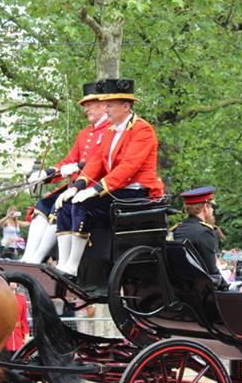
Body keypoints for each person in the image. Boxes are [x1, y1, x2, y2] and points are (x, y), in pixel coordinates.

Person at [54, 78, 164, 277]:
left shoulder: (143, 130)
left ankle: (73, 265)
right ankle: (63, 262)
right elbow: (96, 161)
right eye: (105, 105)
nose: (106, 110)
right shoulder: (112, 130)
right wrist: (77, 186)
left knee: (82, 206)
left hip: (135, 193)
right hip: (116, 190)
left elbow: (128, 167)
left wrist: (95, 190)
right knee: (65, 205)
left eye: (110, 106)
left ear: (125, 106)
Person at [21, 83, 111, 264]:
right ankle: (28, 257)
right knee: (42, 205)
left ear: (103, 105)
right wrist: (46, 173)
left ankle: (37, 259)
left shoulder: (110, 130)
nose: (86, 109)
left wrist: (77, 167)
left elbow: (100, 162)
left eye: (90, 104)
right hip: (73, 186)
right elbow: (68, 161)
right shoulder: (84, 134)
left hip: (93, 187)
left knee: (58, 207)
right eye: (85, 105)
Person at [171, 186, 222, 277]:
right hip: (202, 289)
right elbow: (212, 272)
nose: (212, 210)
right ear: (205, 207)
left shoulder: (177, 230)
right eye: (211, 207)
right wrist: (227, 286)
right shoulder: (204, 232)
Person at [4, 282, 30, 354]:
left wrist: (26, 334)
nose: (13, 283)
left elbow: (23, 319)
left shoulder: (22, 299)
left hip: (18, 334)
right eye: (11, 281)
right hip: (6, 334)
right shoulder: (2, 298)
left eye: (15, 282)